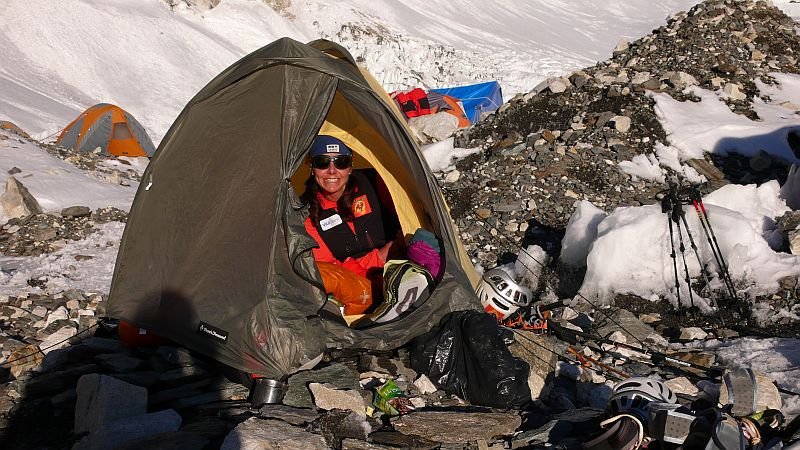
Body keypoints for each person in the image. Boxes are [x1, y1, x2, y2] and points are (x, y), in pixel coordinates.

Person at [302, 135, 403, 315]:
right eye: (322, 162)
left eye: (341, 162)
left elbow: (406, 216)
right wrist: (379, 257)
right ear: (311, 166)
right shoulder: (306, 214)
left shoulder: (375, 182)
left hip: (400, 265)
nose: (332, 170)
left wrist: (399, 243)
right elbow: (331, 269)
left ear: (350, 166)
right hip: (358, 284)